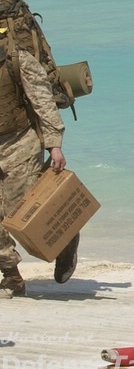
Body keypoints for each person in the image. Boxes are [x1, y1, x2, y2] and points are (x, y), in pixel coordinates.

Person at [0, 37, 78, 297]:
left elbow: (42, 101)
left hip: (19, 141)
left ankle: (65, 242)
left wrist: (54, 143)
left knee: (19, 212)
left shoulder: (16, 58)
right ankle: (11, 276)